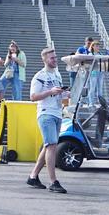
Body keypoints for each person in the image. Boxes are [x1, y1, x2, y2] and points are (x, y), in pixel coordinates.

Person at [26, 47, 68, 194]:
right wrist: (50, 92)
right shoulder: (40, 76)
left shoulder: (57, 74)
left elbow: (58, 96)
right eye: (52, 58)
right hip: (46, 114)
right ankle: (53, 181)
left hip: (57, 113)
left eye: (55, 57)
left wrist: (64, 94)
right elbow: (33, 97)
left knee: (48, 146)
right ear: (44, 59)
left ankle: (33, 176)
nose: (55, 60)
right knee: (51, 146)